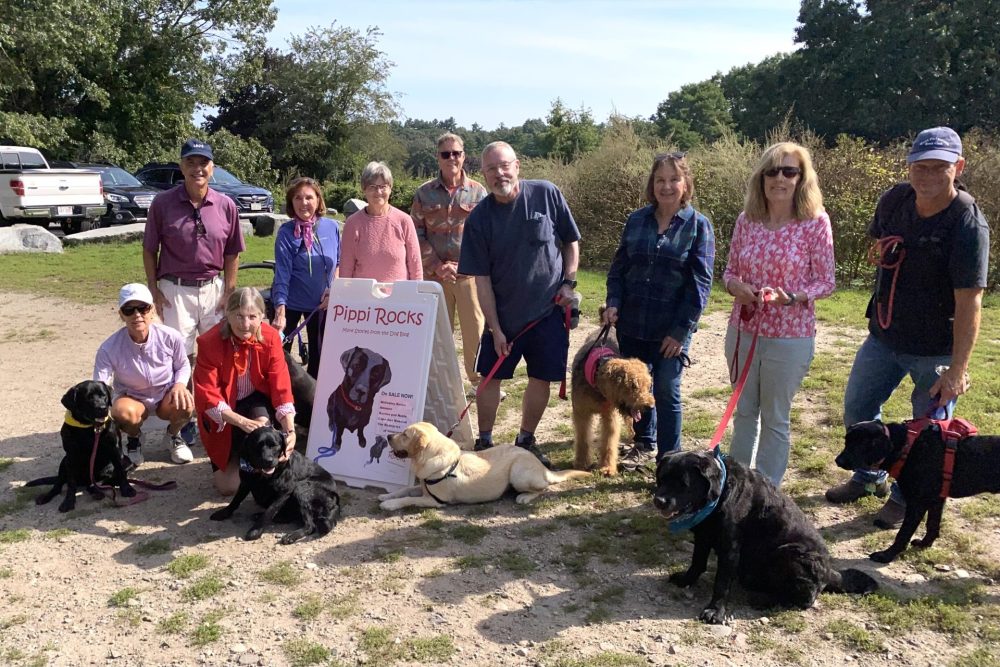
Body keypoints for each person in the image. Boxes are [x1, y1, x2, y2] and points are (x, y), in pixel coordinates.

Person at [825, 127, 989, 527]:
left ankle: (904, 496)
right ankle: (869, 477)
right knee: (858, 409)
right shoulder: (894, 200)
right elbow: (875, 245)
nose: (928, 175)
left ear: (958, 167)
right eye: (920, 166)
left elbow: (971, 303)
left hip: (936, 349)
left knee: (928, 437)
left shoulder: (967, 223)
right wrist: (883, 252)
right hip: (884, 336)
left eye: (939, 167)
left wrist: (958, 371)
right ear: (909, 165)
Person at [458, 141, 581, 468]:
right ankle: (484, 442)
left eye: (504, 166)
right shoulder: (479, 220)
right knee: (488, 377)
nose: (500, 174)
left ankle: (526, 440)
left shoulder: (547, 193)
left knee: (542, 377)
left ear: (517, 165)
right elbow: (480, 280)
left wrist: (569, 283)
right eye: (491, 169)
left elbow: (571, 241)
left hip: (549, 313)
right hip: (505, 317)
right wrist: (496, 329)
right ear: (483, 175)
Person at [722, 142, 835, 486]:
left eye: (789, 171)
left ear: (802, 178)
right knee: (743, 413)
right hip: (743, 330)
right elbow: (728, 272)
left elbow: (826, 281)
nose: (779, 178)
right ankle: (736, 487)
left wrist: (794, 297)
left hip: (790, 335)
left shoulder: (815, 222)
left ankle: (767, 490)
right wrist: (736, 288)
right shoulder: (747, 221)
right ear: (761, 178)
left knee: (774, 417)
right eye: (772, 171)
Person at [604, 153, 716, 471]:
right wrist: (613, 302)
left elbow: (701, 285)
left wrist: (681, 332)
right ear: (652, 185)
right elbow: (618, 269)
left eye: (673, 179)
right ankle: (644, 443)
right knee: (638, 387)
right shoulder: (636, 220)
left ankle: (670, 459)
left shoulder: (698, 226)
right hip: (633, 323)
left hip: (672, 328)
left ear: (685, 184)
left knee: (666, 387)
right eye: (659, 180)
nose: (666, 186)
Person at [143, 138, 244, 444]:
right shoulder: (163, 204)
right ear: (181, 166)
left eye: (203, 163)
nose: (197, 169)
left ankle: (214, 414)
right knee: (181, 359)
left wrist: (229, 290)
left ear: (212, 168)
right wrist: (153, 290)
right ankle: (182, 423)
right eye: (191, 162)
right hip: (175, 289)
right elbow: (150, 250)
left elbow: (233, 253)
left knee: (215, 356)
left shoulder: (226, 205)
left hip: (213, 289)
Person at [193, 287, 296, 495]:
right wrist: (241, 422)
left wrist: (289, 429)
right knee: (228, 487)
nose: (245, 324)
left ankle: (258, 456)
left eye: (252, 316)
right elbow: (207, 392)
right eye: (238, 316)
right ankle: (238, 455)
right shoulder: (209, 342)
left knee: (262, 429)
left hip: (255, 399)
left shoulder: (272, 338)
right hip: (224, 407)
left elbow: (281, 385)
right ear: (227, 315)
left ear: (262, 317)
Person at [411, 133, 489, 392]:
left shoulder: (478, 192)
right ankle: (439, 386)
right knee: (437, 335)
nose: (452, 158)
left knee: (475, 333)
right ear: (438, 158)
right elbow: (416, 233)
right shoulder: (424, 193)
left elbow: (485, 236)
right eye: (446, 154)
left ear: (464, 156)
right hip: (435, 277)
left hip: (468, 276)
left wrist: (460, 265)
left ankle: (479, 383)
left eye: (456, 153)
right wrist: (437, 265)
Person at [93, 283, 195, 467]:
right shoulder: (108, 348)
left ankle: (173, 436)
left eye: (143, 308)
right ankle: (134, 439)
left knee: (186, 402)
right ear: (121, 314)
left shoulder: (171, 336)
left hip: (166, 393)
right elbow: (100, 384)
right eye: (129, 310)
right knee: (121, 412)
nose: (137, 314)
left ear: (152, 310)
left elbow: (183, 365)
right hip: (132, 397)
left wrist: (180, 384)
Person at [271, 177, 341, 379]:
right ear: (291, 202)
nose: (304, 203)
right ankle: (283, 400)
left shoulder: (332, 227)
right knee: (281, 358)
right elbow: (282, 273)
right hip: (291, 303)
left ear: (318, 200)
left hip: (321, 304)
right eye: (298, 198)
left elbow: (339, 262)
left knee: (319, 359)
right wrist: (280, 310)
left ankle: (312, 404)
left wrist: (333, 289)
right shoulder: (286, 232)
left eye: (309, 197)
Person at [340, 161, 422, 282]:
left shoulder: (404, 221)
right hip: (362, 298)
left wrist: (416, 296)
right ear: (364, 189)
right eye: (372, 187)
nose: (378, 192)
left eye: (383, 186)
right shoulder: (352, 224)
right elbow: (346, 269)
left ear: (390, 188)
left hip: (399, 298)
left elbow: (416, 266)